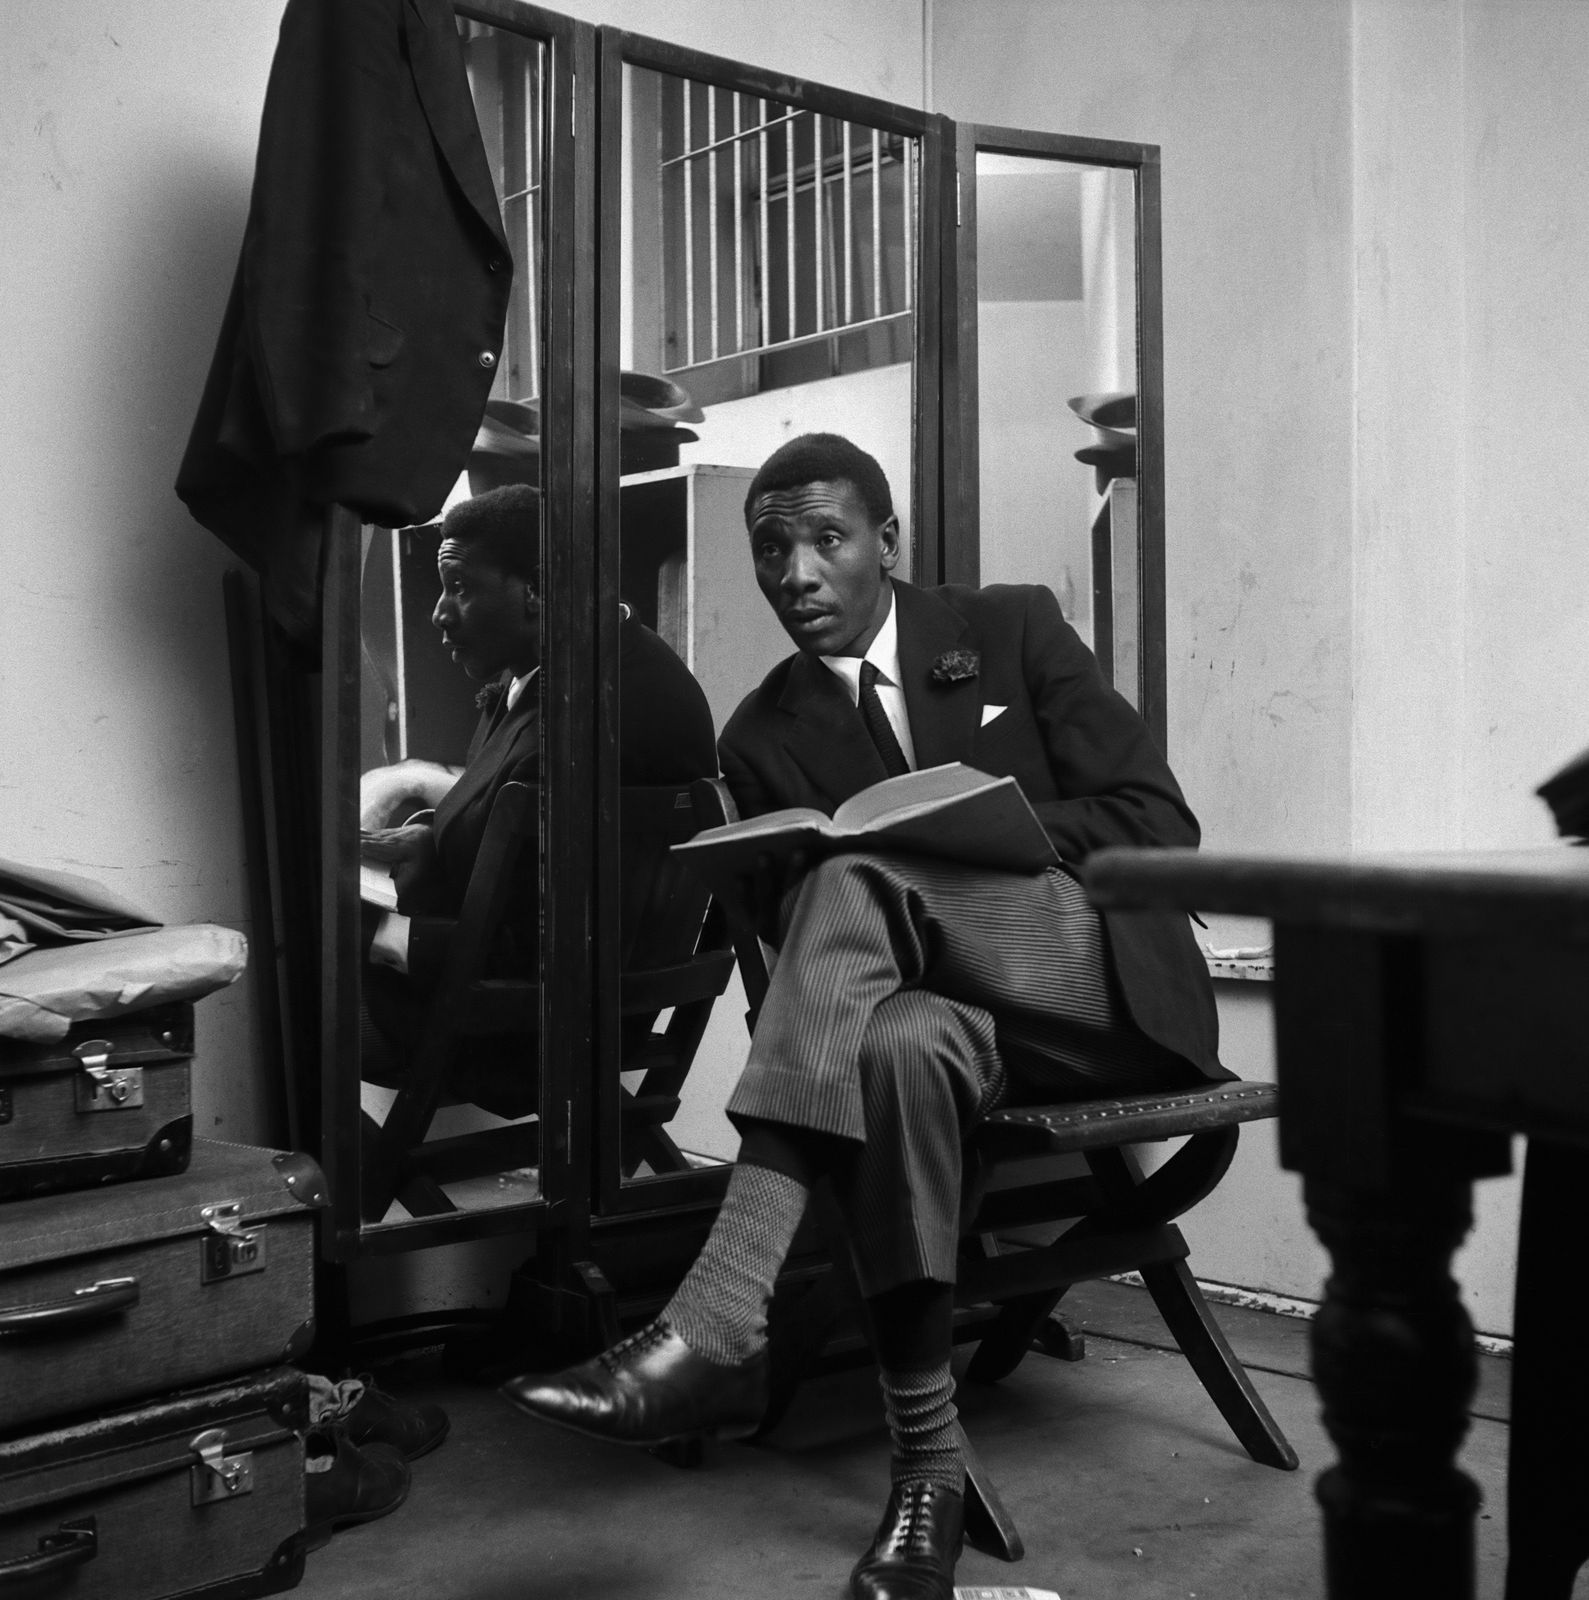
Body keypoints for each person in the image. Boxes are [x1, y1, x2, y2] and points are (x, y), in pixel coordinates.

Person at [501, 434, 1225, 1599]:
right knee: (891, 1043)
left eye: (826, 538)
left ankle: (719, 1316)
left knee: (860, 876)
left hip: (1100, 995)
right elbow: (822, 966)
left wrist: (976, 834)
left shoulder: (1009, 628)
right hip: (954, 1034)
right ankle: (924, 1478)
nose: (796, 571)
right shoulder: (760, 732)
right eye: (769, 547)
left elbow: (1157, 822)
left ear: (886, 543)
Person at [358, 481, 717, 1112]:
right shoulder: (602, 663)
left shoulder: (578, 717)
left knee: (302, 978)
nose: (440, 613)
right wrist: (429, 837)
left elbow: (538, 943)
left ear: (537, 591)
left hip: (524, 1031)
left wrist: (380, 934)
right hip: (591, 1013)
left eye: (461, 587)